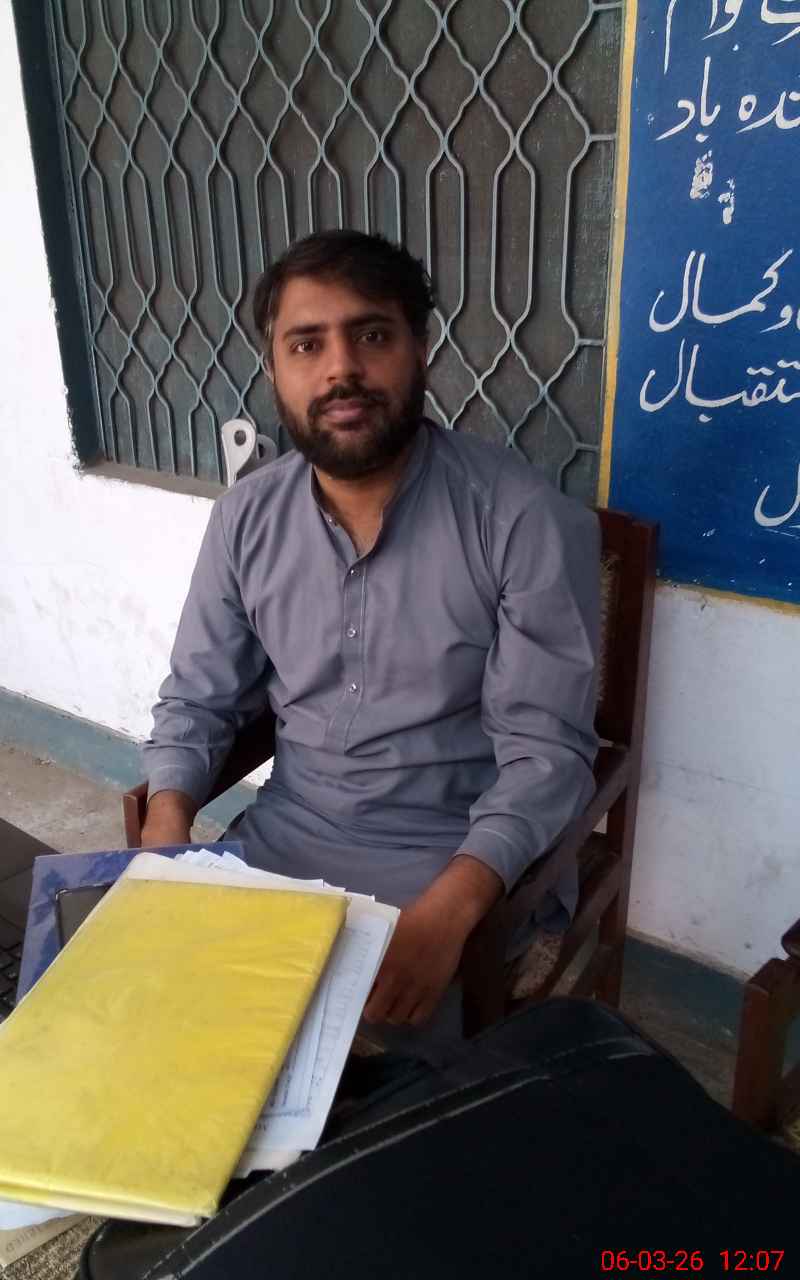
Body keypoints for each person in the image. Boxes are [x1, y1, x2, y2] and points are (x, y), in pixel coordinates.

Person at [141, 229, 600, 1044]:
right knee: (164, 1025)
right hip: (283, 844)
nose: (340, 370)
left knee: (378, 1079)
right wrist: (167, 828)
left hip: (453, 860)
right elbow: (197, 700)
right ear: (274, 369)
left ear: (421, 349)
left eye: (373, 336)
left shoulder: (521, 518)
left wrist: (450, 911)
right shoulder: (246, 518)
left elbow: (546, 752)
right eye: (306, 344)